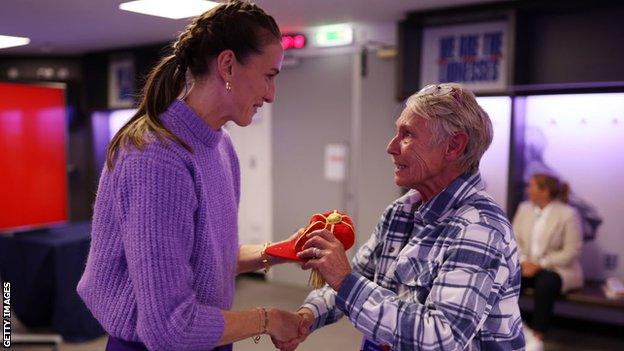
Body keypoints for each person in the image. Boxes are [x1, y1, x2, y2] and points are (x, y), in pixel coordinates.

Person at [77, 1, 304, 350]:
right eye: (269, 77)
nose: (271, 95)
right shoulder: (156, 157)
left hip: (207, 338)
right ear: (227, 65)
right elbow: (169, 326)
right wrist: (268, 319)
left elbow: (206, 261)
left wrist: (283, 251)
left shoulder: (220, 146)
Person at [277, 83, 525, 351]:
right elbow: (362, 276)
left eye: (407, 135)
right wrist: (307, 317)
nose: (391, 147)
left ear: (454, 146)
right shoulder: (401, 212)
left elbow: (440, 339)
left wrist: (345, 281)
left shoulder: (480, 227)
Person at [512, 173, 583, 351]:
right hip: (526, 265)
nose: (528, 189)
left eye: (532, 186)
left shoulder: (567, 214)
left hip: (557, 269)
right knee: (508, 277)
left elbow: (572, 250)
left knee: (546, 283)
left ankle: (537, 336)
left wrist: (541, 264)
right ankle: (512, 328)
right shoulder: (524, 208)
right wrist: (524, 261)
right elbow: (514, 239)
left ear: (545, 191)